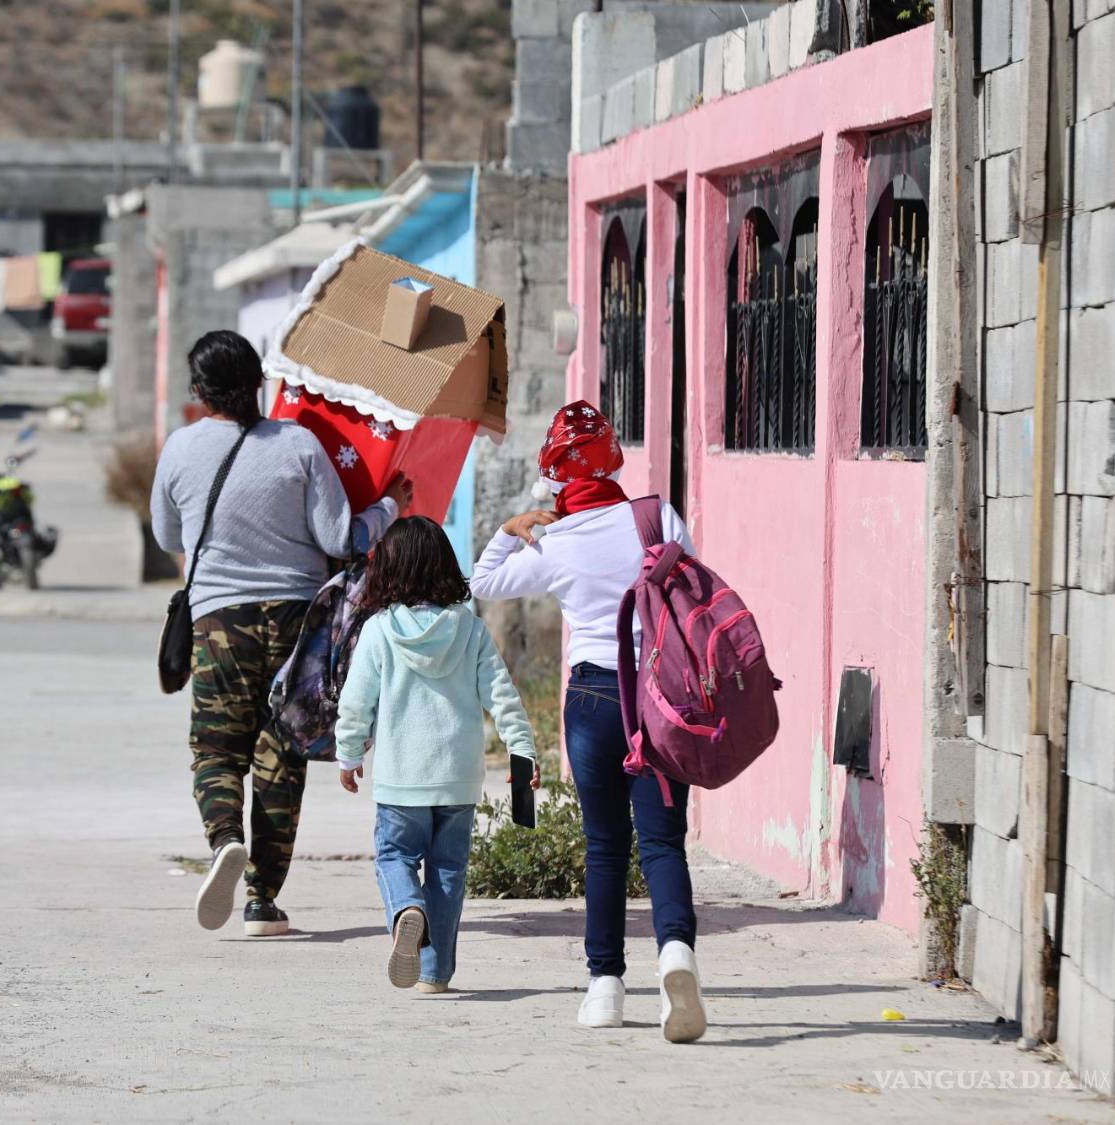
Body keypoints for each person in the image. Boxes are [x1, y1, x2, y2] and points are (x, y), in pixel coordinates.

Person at [151, 329, 411, 938]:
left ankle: (223, 841)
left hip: (219, 622)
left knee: (216, 749)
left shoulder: (179, 448)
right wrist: (391, 504)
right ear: (260, 385)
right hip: (298, 624)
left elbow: (168, 538)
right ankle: (262, 901)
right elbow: (340, 540)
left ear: (198, 391)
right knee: (280, 753)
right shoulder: (297, 444)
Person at [468, 400, 707, 1043]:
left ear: (556, 475)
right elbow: (692, 589)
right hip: (659, 697)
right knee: (662, 840)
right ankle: (676, 954)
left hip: (593, 699)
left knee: (605, 847)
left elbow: (482, 582)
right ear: (612, 458)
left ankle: (605, 988)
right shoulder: (655, 518)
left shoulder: (557, 543)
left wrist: (514, 523)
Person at [334, 516, 537, 994]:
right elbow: (502, 695)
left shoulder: (380, 630)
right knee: (448, 873)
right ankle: (433, 974)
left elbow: (355, 701)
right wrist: (522, 751)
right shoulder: (470, 628)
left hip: (402, 778)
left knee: (394, 855)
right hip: (458, 780)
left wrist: (348, 753)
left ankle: (406, 907)